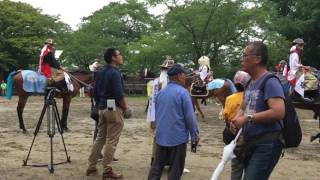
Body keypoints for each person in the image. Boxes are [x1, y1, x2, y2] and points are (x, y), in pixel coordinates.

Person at [230, 41, 285, 180]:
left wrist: (247, 118)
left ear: (257, 59)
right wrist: (236, 118)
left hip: (266, 144)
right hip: (250, 142)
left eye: (244, 55)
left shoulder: (270, 81)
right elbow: (244, 105)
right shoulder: (250, 82)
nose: (241, 59)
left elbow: (278, 112)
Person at [147, 64, 200, 180]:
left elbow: (157, 115)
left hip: (161, 137)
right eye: (184, 74)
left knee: (156, 167)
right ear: (179, 76)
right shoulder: (183, 93)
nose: (185, 77)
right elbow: (190, 118)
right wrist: (195, 134)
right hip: (177, 138)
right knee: (175, 169)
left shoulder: (161, 93)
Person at [86, 48, 132, 179]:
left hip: (102, 107)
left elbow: (94, 92)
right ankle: (107, 170)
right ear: (113, 58)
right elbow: (119, 95)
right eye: (119, 54)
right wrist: (126, 108)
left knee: (100, 138)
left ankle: (91, 166)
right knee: (112, 140)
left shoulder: (100, 72)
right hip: (114, 109)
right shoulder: (115, 73)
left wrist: (101, 104)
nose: (121, 56)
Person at [146, 56, 174, 165]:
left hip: (167, 114)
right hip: (160, 114)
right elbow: (152, 101)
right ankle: (156, 160)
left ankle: (166, 161)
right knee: (158, 137)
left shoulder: (156, 83)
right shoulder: (157, 83)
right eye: (167, 69)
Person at [222, 70, 250, 180]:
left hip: (234, 133)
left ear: (234, 84)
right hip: (248, 131)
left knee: (236, 163)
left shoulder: (230, 98)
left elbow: (226, 116)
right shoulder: (251, 96)